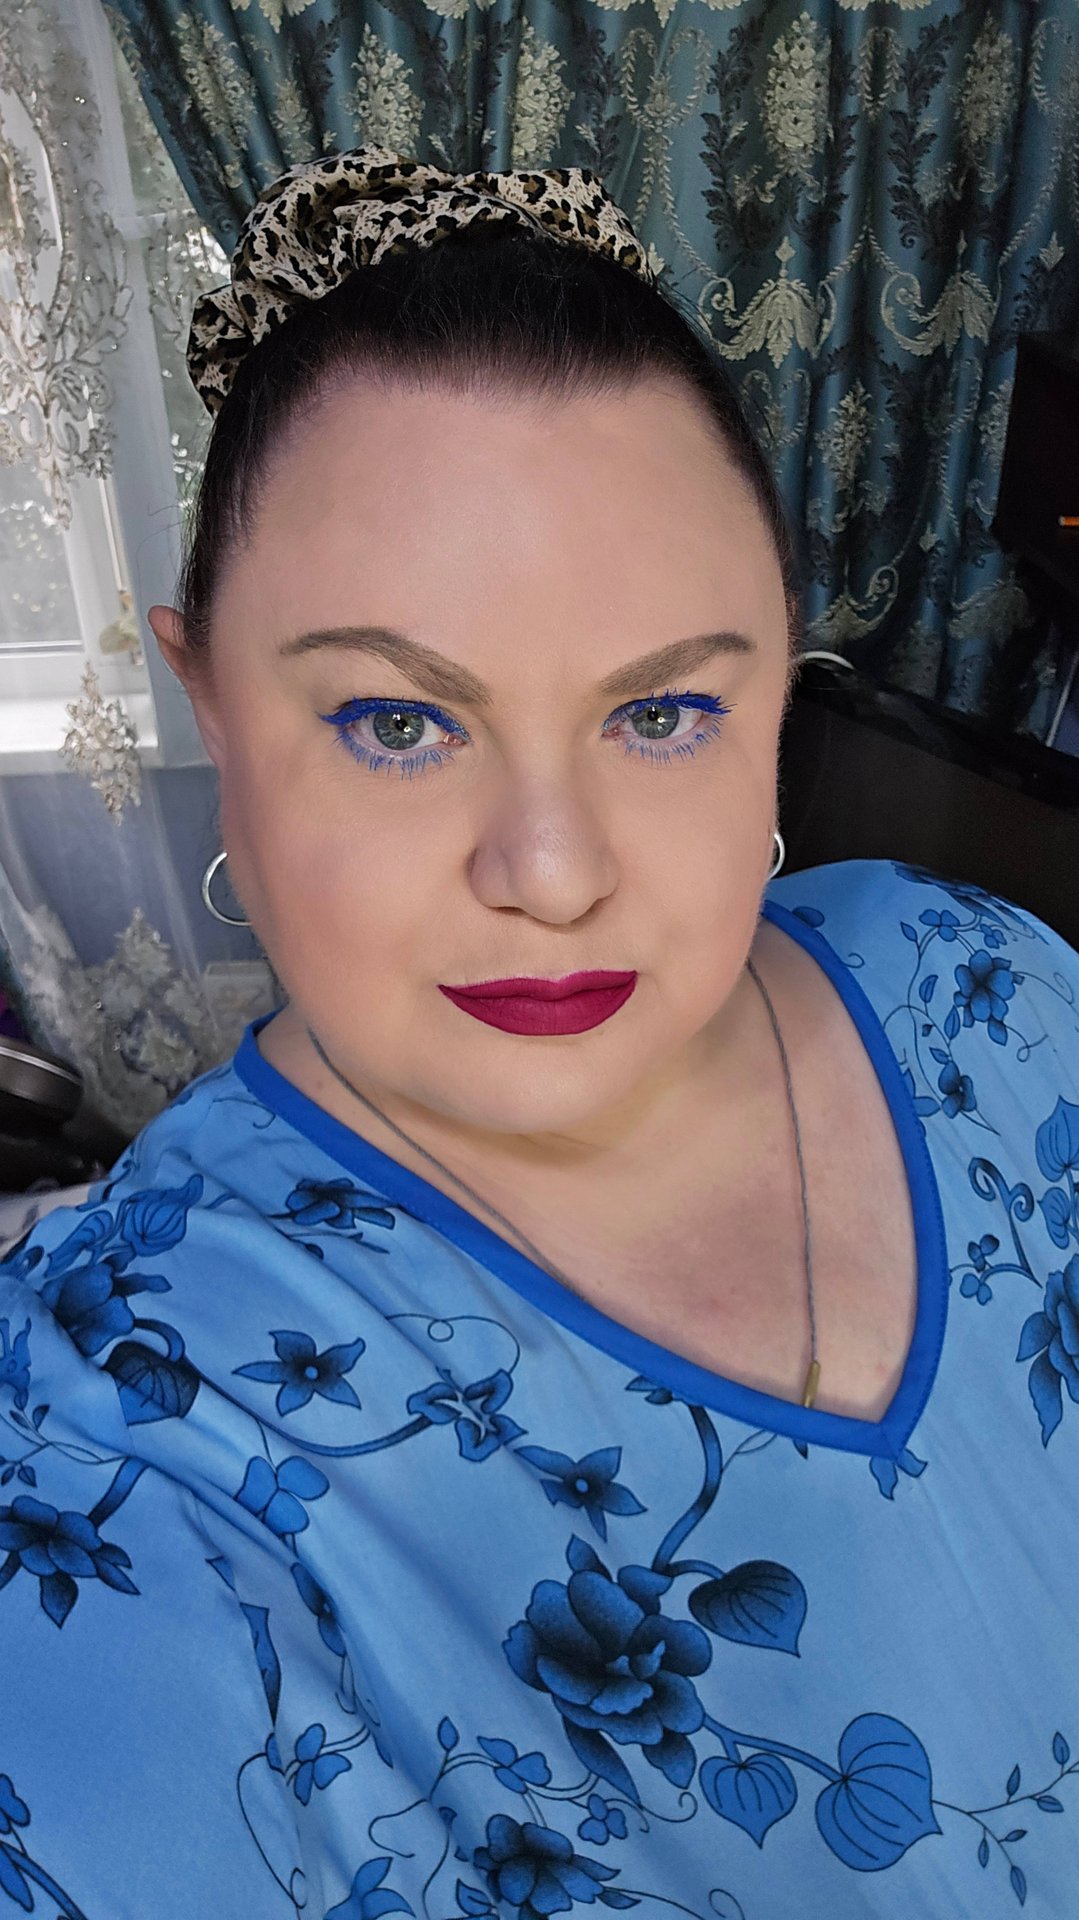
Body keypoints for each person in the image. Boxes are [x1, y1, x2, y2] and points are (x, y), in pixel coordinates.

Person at [1, 147, 1077, 1920]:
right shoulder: (121, 1428)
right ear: (208, 700)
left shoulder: (987, 982)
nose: (554, 874)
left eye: (663, 712)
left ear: (782, 682)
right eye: (396, 723)